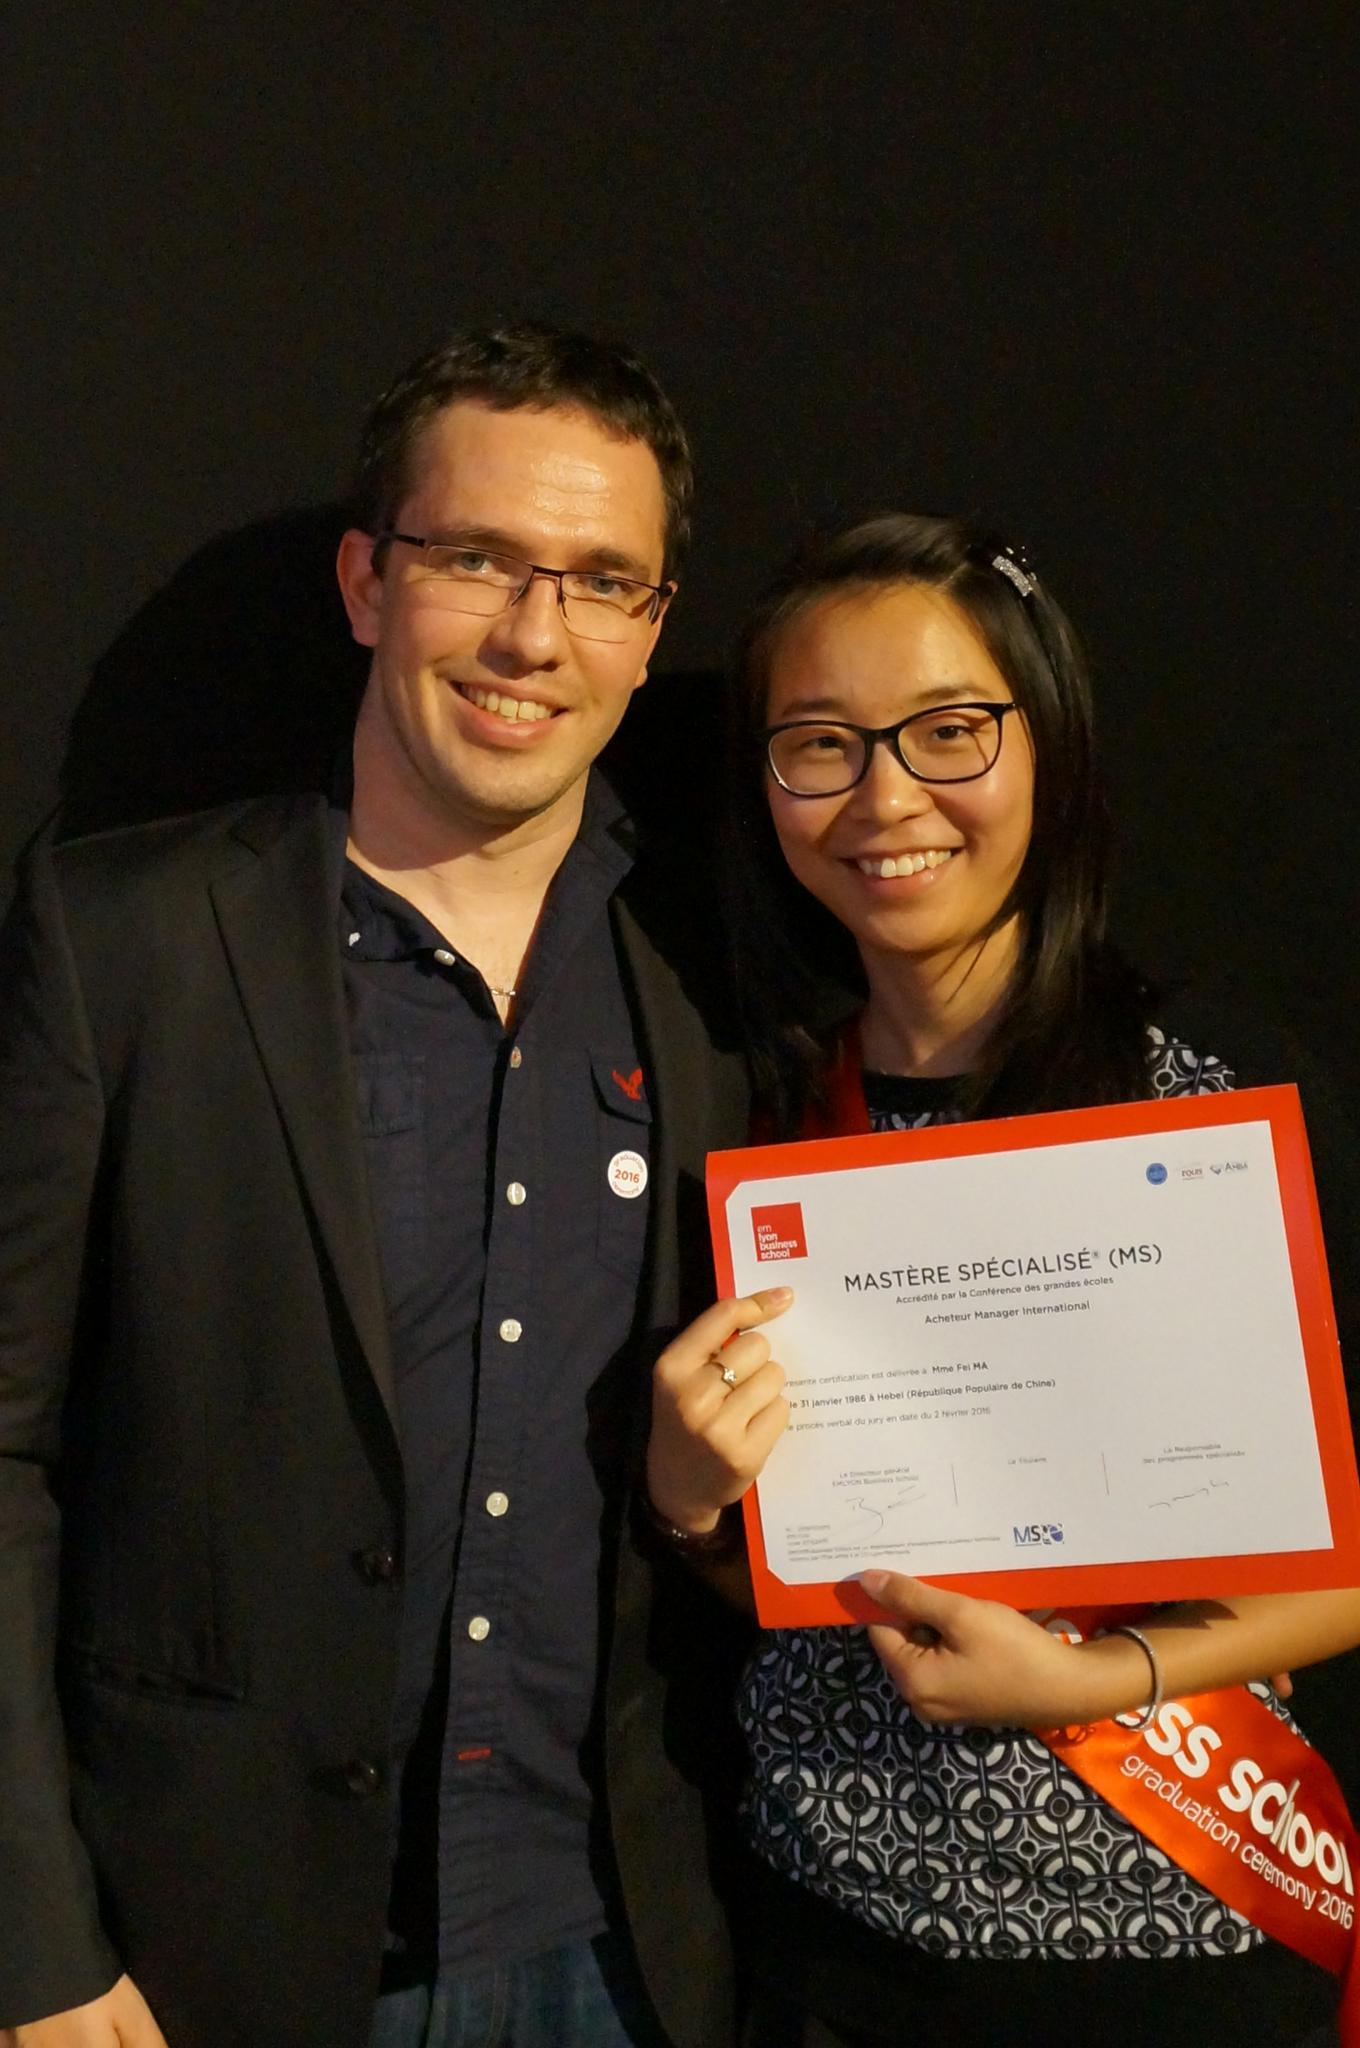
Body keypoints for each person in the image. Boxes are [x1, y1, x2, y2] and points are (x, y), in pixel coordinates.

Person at [0, 324, 756, 2048]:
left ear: (651, 631)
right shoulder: (122, 942)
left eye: (601, 582)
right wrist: (31, 1943)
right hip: (197, 1965)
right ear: (366, 581)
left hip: (624, 1950)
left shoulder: (713, 985)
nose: (533, 635)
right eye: (477, 557)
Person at [645, 512, 1360, 2046]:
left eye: (949, 731)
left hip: (1182, 1935)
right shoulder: (750, 1122)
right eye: (819, 745)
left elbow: (1345, 1559)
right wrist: (684, 1505)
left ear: (1050, 743)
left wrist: (1093, 1681)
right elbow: (782, 1575)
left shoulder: (1211, 1098)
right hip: (826, 1947)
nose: (885, 798)